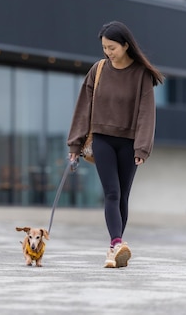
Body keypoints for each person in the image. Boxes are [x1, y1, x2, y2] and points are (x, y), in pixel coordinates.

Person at [67, 20, 164, 268]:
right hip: (102, 140)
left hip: (129, 144)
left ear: (125, 45)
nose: (108, 52)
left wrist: (142, 147)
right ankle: (116, 243)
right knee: (111, 192)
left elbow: (146, 113)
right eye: (104, 48)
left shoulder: (141, 75)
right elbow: (82, 109)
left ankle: (115, 250)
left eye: (112, 47)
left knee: (123, 197)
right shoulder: (98, 70)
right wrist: (75, 146)